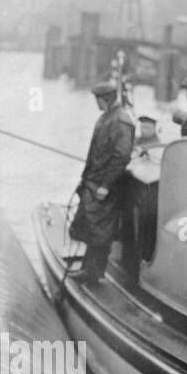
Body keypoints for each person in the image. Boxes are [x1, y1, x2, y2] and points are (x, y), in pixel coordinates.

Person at [71, 81, 136, 285]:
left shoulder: (121, 121)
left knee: (100, 231)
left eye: (97, 99)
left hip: (105, 187)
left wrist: (105, 185)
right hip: (93, 183)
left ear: (104, 98)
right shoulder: (107, 117)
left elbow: (121, 156)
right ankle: (89, 269)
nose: (96, 104)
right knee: (93, 228)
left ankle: (93, 273)